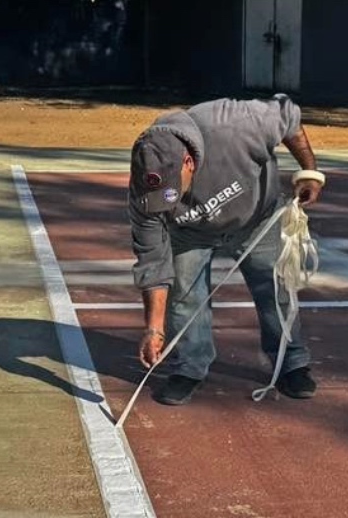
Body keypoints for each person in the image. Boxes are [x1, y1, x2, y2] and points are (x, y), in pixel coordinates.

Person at [128, 95, 324, 406]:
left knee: (275, 291)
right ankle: (189, 368)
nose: (168, 202)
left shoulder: (236, 124)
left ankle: (291, 363)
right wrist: (153, 329)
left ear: (189, 163)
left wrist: (309, 171)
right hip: (189, 234)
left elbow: (288, 114)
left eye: (173, 192)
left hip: (257, 219)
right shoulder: (144, 191)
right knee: (184, 298)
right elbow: (152, 260)